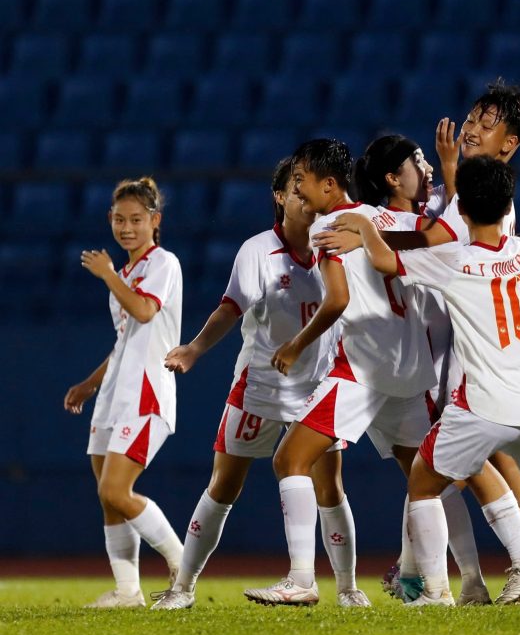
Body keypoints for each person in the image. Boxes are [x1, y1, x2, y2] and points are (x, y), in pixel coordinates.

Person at [319, 82, 520, 571]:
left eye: (486, 123)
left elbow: (433, 237)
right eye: (472, 116)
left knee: (450, 466)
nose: (471, 127)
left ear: (508, 144)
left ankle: (509, 565)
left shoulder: (471, 196)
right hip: (485, 342)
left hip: (462, 341)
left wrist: (367, 233)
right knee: (486, 462)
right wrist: (516, 121)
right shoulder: (474, 188)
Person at [342, 156, 520, 606]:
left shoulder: (453, 259)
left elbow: (382, 261)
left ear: (465, 213)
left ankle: (436, 591)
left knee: (422, 482)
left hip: (485, 408)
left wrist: (362, 223)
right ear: (507, 205)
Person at [149, 158, 368, 610]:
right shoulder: (257, 250)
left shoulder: (336, 244)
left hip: (317, 386)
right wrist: (194, 348)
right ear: (280, 197)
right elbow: (231, 307)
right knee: (224, 485)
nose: (304, 200)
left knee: (331, 486)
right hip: (262, 387)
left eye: (306, 189)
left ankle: (347, 589)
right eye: (295, 190)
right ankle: (182, 588)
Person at [242, 138, 438, 606]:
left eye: (300, 180)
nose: (296, 189)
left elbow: (337, 300)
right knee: (425, 479)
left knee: (289, 460)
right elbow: (435, 236)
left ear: (328, 184)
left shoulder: (328, 226)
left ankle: (302, 580)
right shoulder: (380, 217)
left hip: (364, 367)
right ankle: (440, 587)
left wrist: (296, 343)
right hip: (411, 366)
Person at [354, 135, 491, 604]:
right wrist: (453, 170)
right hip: (417, 362)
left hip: (441, 357)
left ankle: (428, 573)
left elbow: (458, 215)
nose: (428, 164)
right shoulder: (380, 219)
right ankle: (452, 577)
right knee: (436, 477)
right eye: (417, 160)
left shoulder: (420, 211)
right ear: (392, 178)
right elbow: (449, 228)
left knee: (437, 477)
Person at [63, 177, 184, 608]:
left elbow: (146, 312)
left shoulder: (163, 263)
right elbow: (124, 338)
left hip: (147, 391)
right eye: (119, 219)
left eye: (136, 219)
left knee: (117, 491)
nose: (126, 227)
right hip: (116, 392)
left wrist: (109, 275)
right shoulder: (130, 271)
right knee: (106, 495)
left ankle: (181, 565)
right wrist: (90, 383)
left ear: (155, 220)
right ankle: (128, 591)